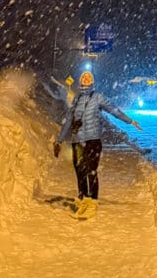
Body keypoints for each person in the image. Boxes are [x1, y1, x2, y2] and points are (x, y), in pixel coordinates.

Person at [53, 70, 142, 219]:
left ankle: (92, 202)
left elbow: (114, 110)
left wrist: (130, 121)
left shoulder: (98, 97)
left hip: (93, 140)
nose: (86, 78)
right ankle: (82, 200)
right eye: (84, 77)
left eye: (89, 77)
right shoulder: (76, 100)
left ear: (92, 82)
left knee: (91, 170)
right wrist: (59, 140)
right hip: (77, 140)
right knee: (79, 171)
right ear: (80, 81)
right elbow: (68, 121)